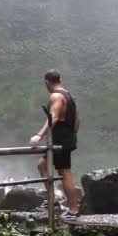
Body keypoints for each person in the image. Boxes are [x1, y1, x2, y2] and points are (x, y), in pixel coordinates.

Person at [29, 69, 81, 219]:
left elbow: (54, 117)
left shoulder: (56, 96)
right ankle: (53, 201)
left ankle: (73, 210)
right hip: (67, 137)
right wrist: (72, 134)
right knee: (42, 165)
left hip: (61, 139)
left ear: (47, 82)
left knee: (64, 172)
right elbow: (77, 119)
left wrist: (39, 135)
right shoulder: (69, 95)